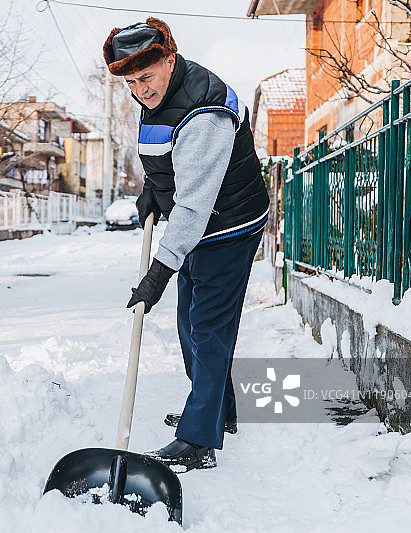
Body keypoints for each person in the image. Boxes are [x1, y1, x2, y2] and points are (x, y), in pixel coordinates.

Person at [103, 18, 269, 471]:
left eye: (147, 77)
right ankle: (216, 410)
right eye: (131, 82)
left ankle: (199, 440)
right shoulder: (158, 94)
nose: (140, 90)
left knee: (208, 327)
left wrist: (158, 274)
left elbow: (195, 205)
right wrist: (152, 190)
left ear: (170, 60)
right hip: (199, 221)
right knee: (188, 323)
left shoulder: (205, 109)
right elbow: (168, 157)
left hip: (230, 223)